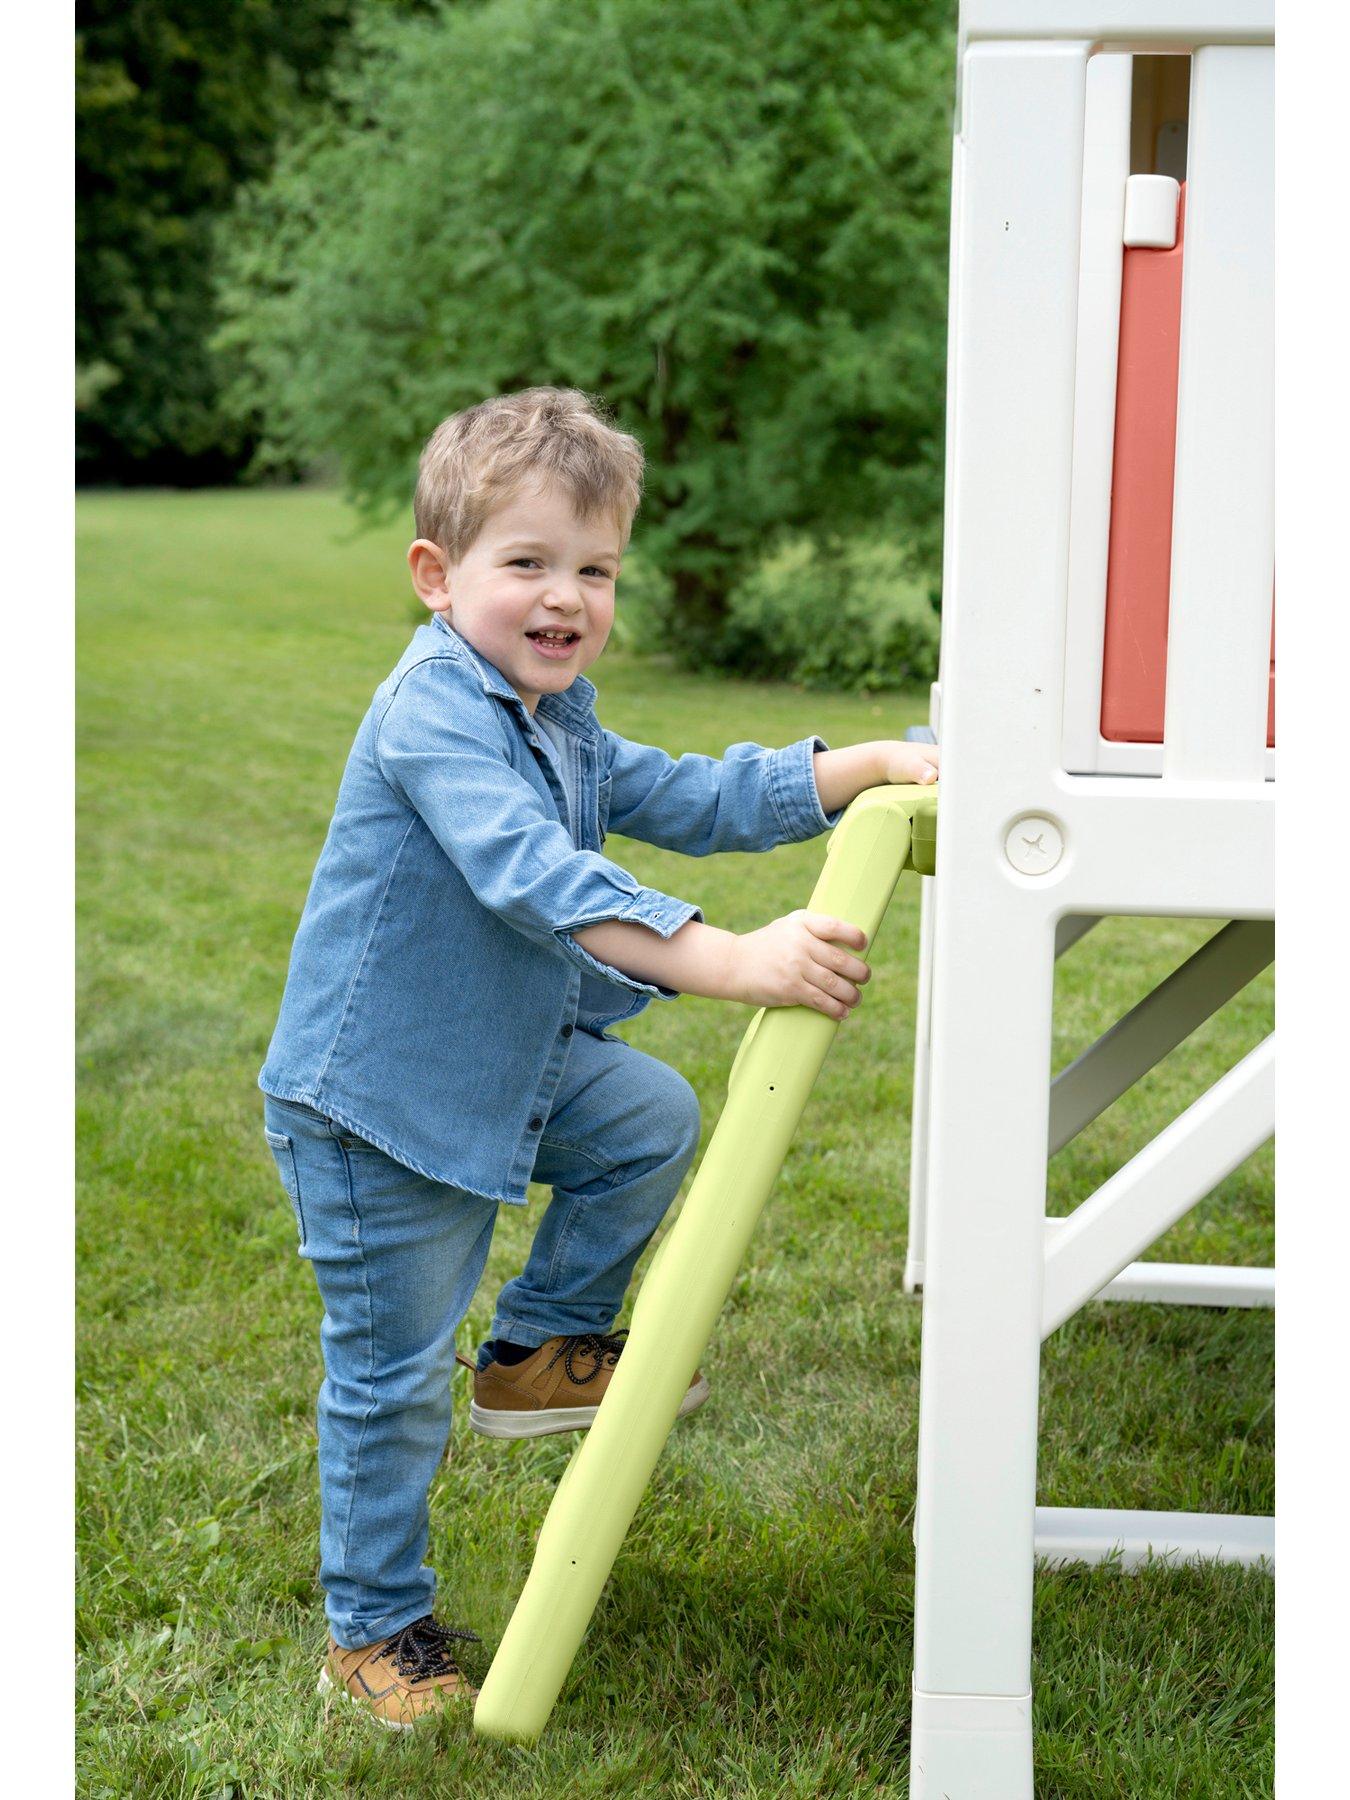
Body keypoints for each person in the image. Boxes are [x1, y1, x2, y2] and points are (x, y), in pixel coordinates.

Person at [258, 387, 940, 1729]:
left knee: (639, 1114)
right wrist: (730, 958)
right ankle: (373, 1624)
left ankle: (542, 1347)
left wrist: (856, 764)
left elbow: (685, 791)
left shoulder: (554, 710)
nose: (564, 597)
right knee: (391, 1379)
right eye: (526, 564)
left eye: (594, 569)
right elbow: (533, 876)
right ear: (435, 577)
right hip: (381, 1106)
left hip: (503, 1064)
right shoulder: (435, 715)